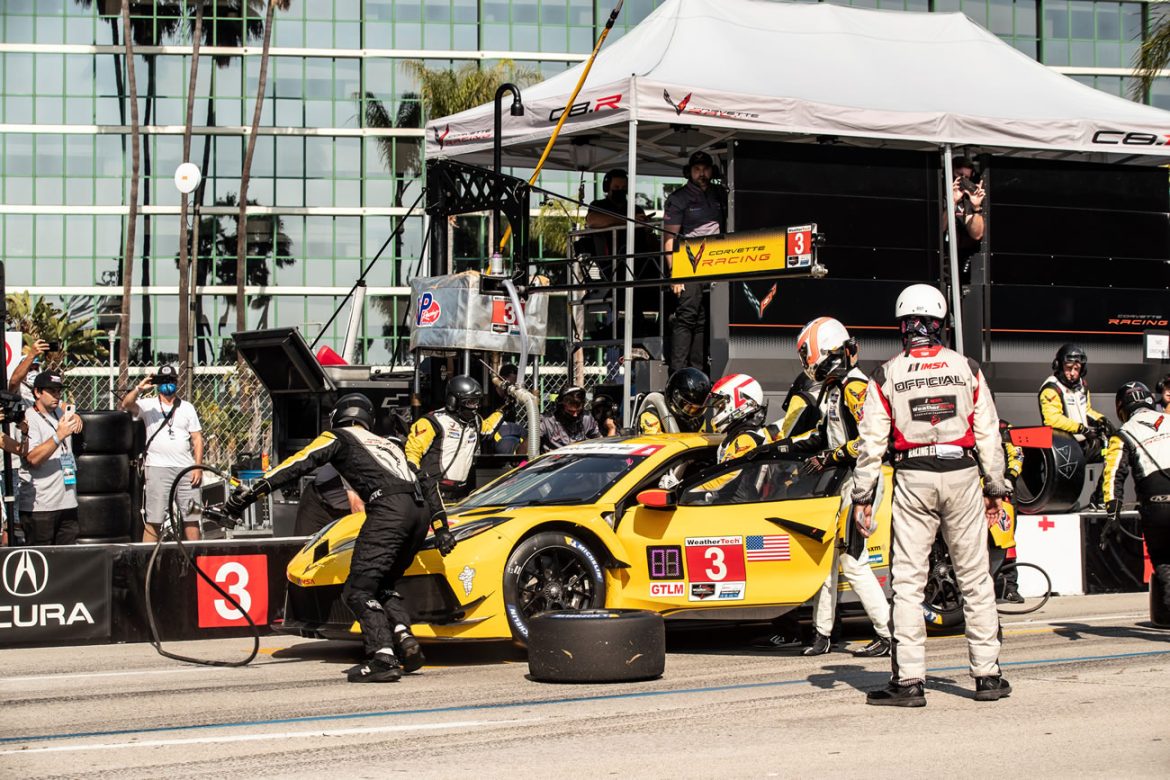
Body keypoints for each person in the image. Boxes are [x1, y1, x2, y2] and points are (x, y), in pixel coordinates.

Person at [215, 393, 455, 683]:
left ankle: (382, 657)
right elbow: (427, 480)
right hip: (418, 513)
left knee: (358, 590)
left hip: (388, 509)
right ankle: (404, 638)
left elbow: (297, 464)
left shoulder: (338, 436)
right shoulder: (391, 443)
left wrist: (248, 496)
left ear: (338, 416)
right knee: (382, 583)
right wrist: (441, 527)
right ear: (368, 418)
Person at [850, 284, 1011, 707]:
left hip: (914, 475)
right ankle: (988, 676)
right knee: (975, 578)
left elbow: (870, 444)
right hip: (961, 471)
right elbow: (989, 434)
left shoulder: (886, 374)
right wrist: (994, 487)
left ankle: (909, 683)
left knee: (908, 584)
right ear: (941, 324)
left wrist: (862, 497)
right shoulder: (967, 368)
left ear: (903, 326)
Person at [785, 317, 892, 658]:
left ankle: (888, 633)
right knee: (827, 560)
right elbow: (822, 434)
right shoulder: (835, 388)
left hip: (863, 482)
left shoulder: (854, 387)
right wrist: (782, 446)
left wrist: (830, 456)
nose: (806, 363)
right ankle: (822, 634)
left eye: (807, 355)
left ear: (827, 352)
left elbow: (871, 442)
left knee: (853, 560)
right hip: (842, 483)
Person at [1103, 381, 1170, 628]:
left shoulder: (1123, 433)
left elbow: (1113, 475)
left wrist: (1112, 514)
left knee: (1163, 560)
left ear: (1122, 407)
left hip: (1155, 505)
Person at [120, 365, 205, 542]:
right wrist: (139, 388)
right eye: (164, 380)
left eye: (171, 381)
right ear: (157, 383)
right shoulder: (148, 405)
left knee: (192, 517)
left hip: (186, 470)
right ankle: (147, 562)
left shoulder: (187, 407)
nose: (168, 384)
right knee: (154, 519)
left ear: (176, 382)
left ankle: (195, 560)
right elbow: (126, 404)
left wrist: (197, 467)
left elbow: (197, 438)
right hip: (158, 468)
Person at [664, 150, 725, 373]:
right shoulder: (679, 198)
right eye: (697, 169)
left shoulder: (719, 193)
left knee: (703, 319)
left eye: (705, 169)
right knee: (687, 316)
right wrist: (675, 273)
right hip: (689, 263)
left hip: (719, 261)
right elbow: (669, 238)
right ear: (689, 172)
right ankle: (678, 373)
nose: (702, 173)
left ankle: (698, 372)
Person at [19, 371, 84, 545]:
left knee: (67, 561)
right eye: (52, 391)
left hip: (67, 502)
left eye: (58, 391)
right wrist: (58, 436)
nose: (57, 395)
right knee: (42, 561)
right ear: (37, 392)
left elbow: (68, 408)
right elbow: (32, 458)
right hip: (41, 505)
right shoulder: (28, 419)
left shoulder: (61, 415)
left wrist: (75, 415)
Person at [405, 375, 485, 502]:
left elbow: (489, 428)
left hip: (460, 493)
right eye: (470, 402)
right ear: (454, 401)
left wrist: (504, 409)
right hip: (434, 492)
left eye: (477, 402)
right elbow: (412, 453)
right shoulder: (433, 421)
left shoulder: (476, 422)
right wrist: (421, 481)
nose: (475, 407)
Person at [1038, 343, 1110, 453]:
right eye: (1068, 368)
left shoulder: (1082, 386)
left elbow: (1086, 411)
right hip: (1061, 447)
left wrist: (1101, 420)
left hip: (1081, 444)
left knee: (1111, 448)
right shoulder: (1051, 388)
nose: (1072, 373)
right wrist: (1080, 428)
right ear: (1059, 366)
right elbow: (1052, 419)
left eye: (1076, 369)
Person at [294, 463, 364, 537]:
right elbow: (357, 507)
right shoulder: (356, 461)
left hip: (345, 513)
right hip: (317, 505)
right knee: (304, 546)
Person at [638, 368, 711, 434]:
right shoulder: (651, 415)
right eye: (689, 407)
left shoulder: (699, 421)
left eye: (697, 409)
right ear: (675, 397)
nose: (692, 413)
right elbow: (657, 444)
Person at [539, 386, 601, 452]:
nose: (575, 415)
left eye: (578, 411)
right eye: (570, 411)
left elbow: (600, 442)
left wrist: (611, 429)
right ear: (560, 407)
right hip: (555, 459)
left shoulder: (586, 418)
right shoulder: (547, 420)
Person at [951, 156, 986, 244]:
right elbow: (939, 229)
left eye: (966, 177)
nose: (962, 180)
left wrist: (976, 207)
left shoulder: (968, 198)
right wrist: (952, 202)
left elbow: (976, 235)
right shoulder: (939, 192)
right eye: (959, 175)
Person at [9, 338, 51, 404]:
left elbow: (60, 405)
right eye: (30, 369)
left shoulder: (44, 388)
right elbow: (14, 381)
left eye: (36, 368)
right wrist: (32, 355)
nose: (33, 372)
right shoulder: (19, 388)